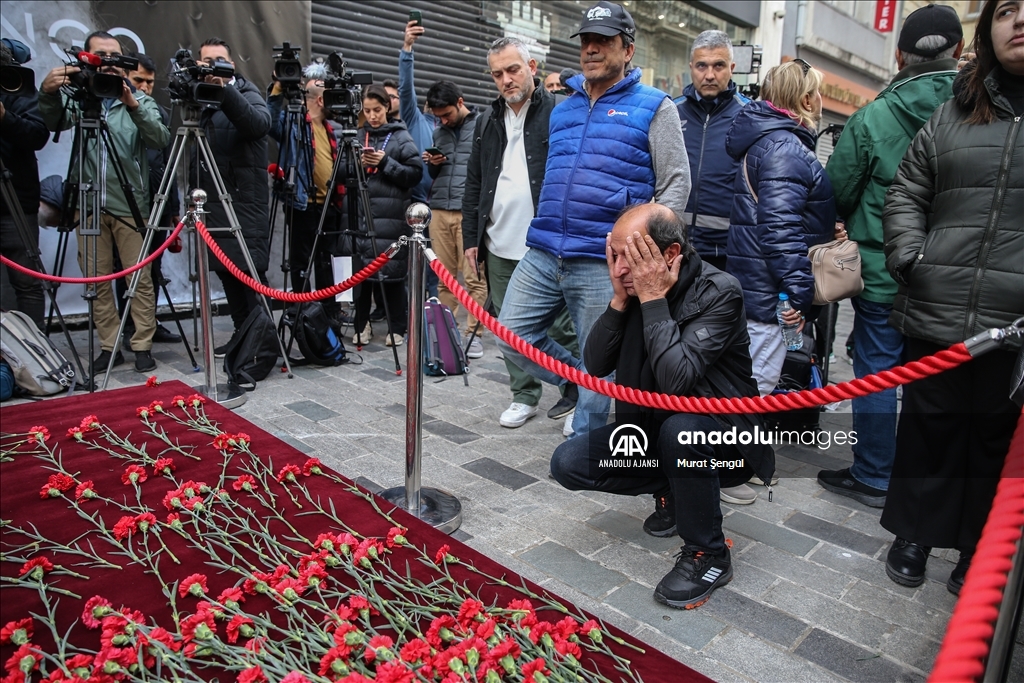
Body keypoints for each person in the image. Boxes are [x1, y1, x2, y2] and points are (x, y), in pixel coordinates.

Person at [550, 203, 773, 609]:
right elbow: (596, 364)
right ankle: (672, 489)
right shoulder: (631, 287)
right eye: (614, 254)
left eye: (630, 257)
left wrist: (652, 297)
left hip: (724, 438)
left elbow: (676, 381)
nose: (619, 268)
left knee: (680, 431)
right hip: (655, 430)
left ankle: (709, 554)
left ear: (670, 255)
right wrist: (620, 301)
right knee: (568, 462)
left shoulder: (719, 290)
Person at [880, 0, 1023, 596]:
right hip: (937, 310)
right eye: (1008, 9)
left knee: (994, 441)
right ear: (987, 27)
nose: (1020, 20)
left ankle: (975, 550)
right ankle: (913, 534)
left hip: (1013, 323)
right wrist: (912, 258)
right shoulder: (955, 111)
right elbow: (907, 190)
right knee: (927, 430)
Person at [496, 0, 690, 440]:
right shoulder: (562, 108)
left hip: (605, 261)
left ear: (629, 49)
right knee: (508, 334)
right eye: (586, 41)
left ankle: (585, 446)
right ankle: (573, 381)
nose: (592, 49)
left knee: (601, 361)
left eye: (603, 41)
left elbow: (676, 184)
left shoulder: (655, 106)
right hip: (545, 249)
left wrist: (650, 252)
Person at [818, 4, 964, 509]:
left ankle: (876, 473)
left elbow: (837, 188)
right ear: (960, 51)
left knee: (876, 372)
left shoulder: (875, 115)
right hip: (956, 279)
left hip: (883, 273)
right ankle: (927, 481)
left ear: (899, 55)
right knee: (937, 381)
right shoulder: (983, 111)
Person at [462, 37, 581, 429]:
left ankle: (578, 394)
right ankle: (524, 395)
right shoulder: (486, 119)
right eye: (497, 73)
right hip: (498, 242)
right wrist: (470, 241)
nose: (506, 79)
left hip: (548, 244)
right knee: (506, 330)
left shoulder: (561, 112)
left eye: (513, 69)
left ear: (532, 66)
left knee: (564, 327)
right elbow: (475, 182)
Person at [38, 31, 170, 373]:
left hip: (130, 203)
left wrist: (133, 103)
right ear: (87, 58)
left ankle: (141, 343)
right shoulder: (81, 98)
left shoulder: (138, 98)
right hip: (89, 203)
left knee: (138, 279)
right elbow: (55, 121)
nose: (109, 64)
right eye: (102, 56)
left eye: (115, 57)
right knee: (95, 281)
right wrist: (49, 93)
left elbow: (158, 137)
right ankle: (109, 345)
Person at [724, 60, 836, 397]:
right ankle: (731, 451)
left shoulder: (770, 143)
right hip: (771, 298)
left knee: (746, 387)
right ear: (804, 100)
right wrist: (800, 294)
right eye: (815, 92)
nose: (819, 98)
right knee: (754, 392)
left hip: (759, 291)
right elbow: (780, 231)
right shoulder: (785, 150)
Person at [191, 38, 273, 356]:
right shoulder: (201, 101)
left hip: (243, 203)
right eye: (206, 61)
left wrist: (225, 89)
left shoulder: (246, 91)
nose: (212, 67)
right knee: (226, 272)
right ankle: (243, 337)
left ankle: (263, 345)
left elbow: (258, 124)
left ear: (231, 65)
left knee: (249, 273)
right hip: (213, 202)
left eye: (219, 60)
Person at [115, 53, 183, 348]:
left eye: (150, 82)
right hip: (125, 203)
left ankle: (149, 323)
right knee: (125, 269)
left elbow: (169, 164)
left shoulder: (159, 113)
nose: (144, 87)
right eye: (138, 80)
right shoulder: (116, 112)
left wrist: (173, 209)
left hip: (156, 202)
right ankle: (125, 326)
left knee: (153, 268)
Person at [349, 84, 423, 347]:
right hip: (361, 216)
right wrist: (355, 165)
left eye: (377, 110)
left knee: (392, 274)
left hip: (391, 217)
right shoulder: (357, 135)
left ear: (387, 108)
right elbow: (342, 175)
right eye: (367, 110)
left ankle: (397, 327)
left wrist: (385, 163)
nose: (372, 116)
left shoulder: (401, 137)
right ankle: (361, 325)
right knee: (360, 277)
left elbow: (414, 174)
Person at [268, 66, 344, 323]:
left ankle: (330, 312)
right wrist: (278, 89)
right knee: (302, 262)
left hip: (329, 204)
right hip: (303, 204)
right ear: (321, 100)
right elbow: (270, 122)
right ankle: (305, 311)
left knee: (328, 262)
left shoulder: (331, 127)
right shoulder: (293, 124)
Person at [422, 80, 487, 358]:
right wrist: (432, 165)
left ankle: (475, 334)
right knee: (444, 278)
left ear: (460, 102)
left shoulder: (483, 125)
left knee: (474, 277)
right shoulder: (439, 132)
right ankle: (446, 334)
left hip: (469, 211)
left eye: (447, 114)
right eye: (438, 116)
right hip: (439, 209)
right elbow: (436, 177)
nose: (443, 120)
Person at [676, 30, 747, 272]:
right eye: (701, 66)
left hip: (729, 253)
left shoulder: (752, 116)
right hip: (675, 249)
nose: (709, 75)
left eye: (719, 66)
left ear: (732, 67)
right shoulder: (670, 112)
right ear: (690, 67)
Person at [0, 39, 48, 330]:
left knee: (27, 283)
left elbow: (37, 135)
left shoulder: (15, 87)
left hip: (15, 202)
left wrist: (5, 117)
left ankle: (35, 355)